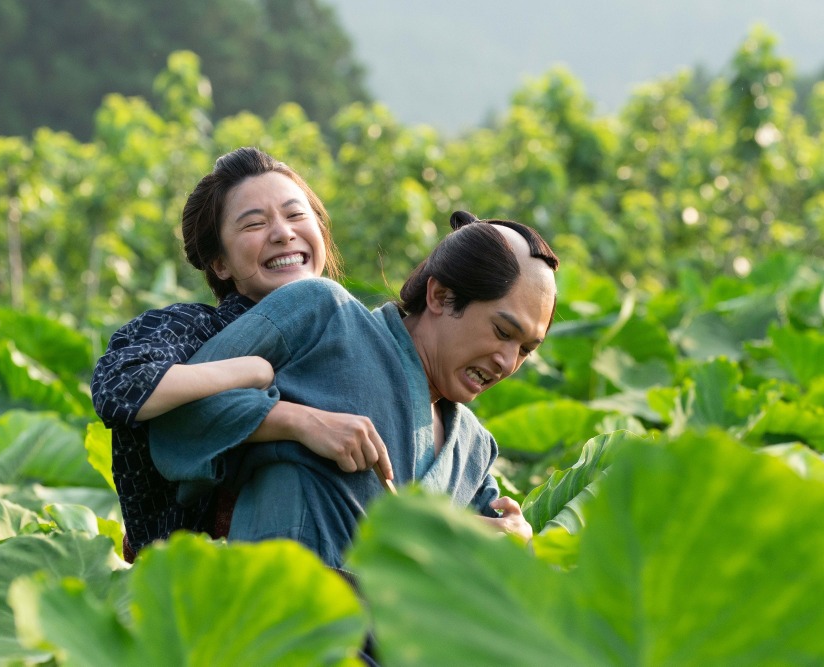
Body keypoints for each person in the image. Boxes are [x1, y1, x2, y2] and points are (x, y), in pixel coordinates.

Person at [149, 211, 558, 568]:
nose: (507, 362)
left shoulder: (473, 449)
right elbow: (175, 412)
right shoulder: (324, 315)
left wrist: (512, 538)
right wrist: (297, 421)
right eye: (503, 331)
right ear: (440, 295)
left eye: (525, 349)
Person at [91, 147, 393, 561]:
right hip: (202, 589)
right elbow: (120, 385)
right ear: (220, 264)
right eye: (255, 223)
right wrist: (253, 374)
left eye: (296, 215)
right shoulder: (196, 329)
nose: (283, 232)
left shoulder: (355, 342)